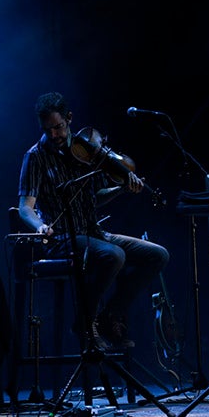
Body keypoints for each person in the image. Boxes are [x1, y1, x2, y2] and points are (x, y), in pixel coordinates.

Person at [17, 91, 170, 350]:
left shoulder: (86, 150)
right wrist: (40, 226)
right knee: (114, 255)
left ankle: (111, 315)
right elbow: (25, 208)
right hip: (63, 236)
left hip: (93, 231)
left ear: (69, 118)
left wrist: (121, 188)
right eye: (47, 129)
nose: (53, 135)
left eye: (58, 127)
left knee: (158, 255)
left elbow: (95, 197)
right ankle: (85, 323)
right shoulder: (35, 156)